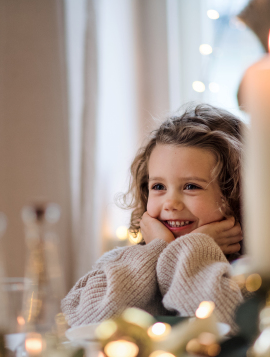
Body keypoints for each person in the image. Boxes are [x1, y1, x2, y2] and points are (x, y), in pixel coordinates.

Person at [62, 104, 245, 328]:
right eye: (158, 186)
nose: (170, 203)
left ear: (234, 193)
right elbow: (84, 323)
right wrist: (157, 247)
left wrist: (194, 249)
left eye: (190, 186)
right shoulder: (119, 263)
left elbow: (225, 328)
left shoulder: (249, 272)